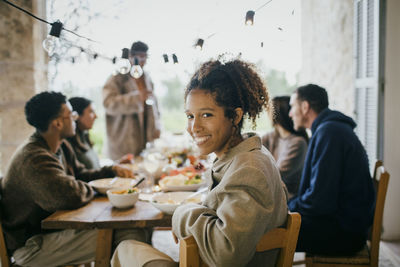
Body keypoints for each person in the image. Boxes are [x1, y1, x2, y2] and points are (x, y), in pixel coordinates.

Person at [111, 58, 288, 267]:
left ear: (235, 116)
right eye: (189, 116)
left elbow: (226, 252)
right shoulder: (246, 156)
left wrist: (182, 214)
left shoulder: (249, 168)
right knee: (130, 245)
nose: (194, 127)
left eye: (206, 114)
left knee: (125, 248)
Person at [0, 91, 151, 266]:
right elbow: (68, 195)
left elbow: (82, 175)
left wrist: (112, 171)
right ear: (57, 123)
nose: (76, 118)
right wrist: (96, 188)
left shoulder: (59, 146)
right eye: (71, 115)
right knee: (130, 232)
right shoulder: (34, 158)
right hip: (31, 247)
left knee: (135, 227)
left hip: (53, 233)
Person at [287, 84, 375, 255]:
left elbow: (320, 200)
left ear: (305, 107)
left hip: (344, 233)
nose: (290, 113)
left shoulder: (329, 133)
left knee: (268, 232)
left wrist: (288, 207)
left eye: (292, 106)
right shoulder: (329, 130)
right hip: (343, 224)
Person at [103, 41, 161, 160]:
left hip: (145, 139)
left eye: (144, 56)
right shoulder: (118, 77)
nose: (141, 60)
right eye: (138, 56)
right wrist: (136, 97)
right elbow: (108, 104)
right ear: (130, 57)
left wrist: (156, 126)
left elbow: (154, 106)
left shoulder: (147, 78)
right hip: (124, 141)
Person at [67, 97, 133, 169]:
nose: (96, 116)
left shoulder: (84, 138)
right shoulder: (69, 145)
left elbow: (95, 170)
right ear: (77, 115)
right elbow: (84, 175)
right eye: (91, 112)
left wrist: (117, 164)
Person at [262, 96, 308, 199]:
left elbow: (276, 175)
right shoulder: (270, 137)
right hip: (270, 195)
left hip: (287, 199)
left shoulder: (298, 143)